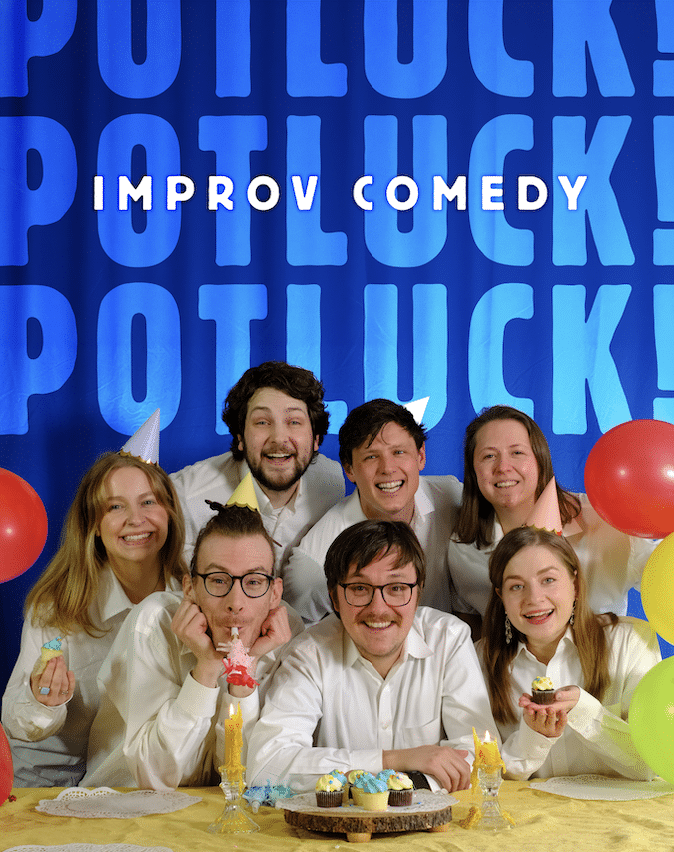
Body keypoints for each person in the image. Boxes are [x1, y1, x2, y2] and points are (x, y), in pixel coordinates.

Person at [1, 412, 186, 787]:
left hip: (131, 782)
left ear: (169, 513)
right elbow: (16, 720)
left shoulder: (189, 602)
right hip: (49, 783)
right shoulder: (58, 610)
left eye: (148, 502)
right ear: (94, 527)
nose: (136, 519)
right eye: (115, 507)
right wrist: (42, 701)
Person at [82, 481, 303, 790]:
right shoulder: (152, 622)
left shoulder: (287, 634)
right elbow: (154, 777)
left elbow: (247, 777)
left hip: (216, 818)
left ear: (274, 593)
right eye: (217, 580)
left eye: (253, 582)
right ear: (190, 588)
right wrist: (206, 669)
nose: (235, 603)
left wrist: (244, 673)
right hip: (123, 803)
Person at [246, 519, 496, 793]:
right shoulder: (309, 653)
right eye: (359, 589)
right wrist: (394, 760)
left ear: (418, 592)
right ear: (334, 597)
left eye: (396, 588)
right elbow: (266, 765)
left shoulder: (449, 640)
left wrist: (408, 785)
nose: (378, 608)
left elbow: (480, 754)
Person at [478, 525, 660, 780]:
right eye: (516, 586)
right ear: (501, 597)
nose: (534, 598)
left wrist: (584, 711)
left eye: (548, 580)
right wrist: (533, 737)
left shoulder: (631, 642)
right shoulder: (480, 660)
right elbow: (483, 775)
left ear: (574, 584)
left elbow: (650, 766)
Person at [448, 405, 657, 618]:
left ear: (540, 460)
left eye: (517, 452)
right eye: (489, 456)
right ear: (473, 471)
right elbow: (470, 625)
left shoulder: (604, 522)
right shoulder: (463, 548)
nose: (503, 467)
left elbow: (661, 576)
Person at [282, 399, 464, 624]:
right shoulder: (313, 565)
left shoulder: (453, 497)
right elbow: (299, 639)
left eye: (398, 452)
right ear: (349, 469)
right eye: (371, 456)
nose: (387, 468)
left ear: (421, 456)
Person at [170, 361, 345, 570]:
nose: (279, 438)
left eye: (294, 421)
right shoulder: (187, 498)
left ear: (316, 438)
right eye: (262, 422)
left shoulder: (332, 482)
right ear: (240, 437)